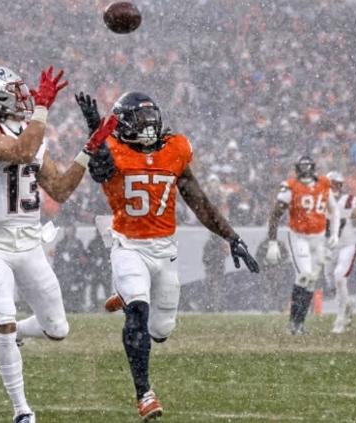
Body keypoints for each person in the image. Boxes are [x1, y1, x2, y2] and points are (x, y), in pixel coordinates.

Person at [78, 91, 259, 421]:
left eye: (151, 119)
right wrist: (95, 131)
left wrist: (232, 237)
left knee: (161, 331)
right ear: (122, 125)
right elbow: (100, 169)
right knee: (138, 313)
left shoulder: (175, 148)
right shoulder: (112, 149)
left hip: (164, 250)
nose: (147, 126)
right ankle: (144, 394)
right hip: (129, 246)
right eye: (139, 120)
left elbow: (198, 201)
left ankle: (128, 295)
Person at [0, 65, 115, 423]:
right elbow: (21, 152)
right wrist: (42, 110)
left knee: (57, 329)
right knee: (4, 319)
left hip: (29, 241)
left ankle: (16, 334)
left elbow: (59, 189)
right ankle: (22, 410)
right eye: (15, 92)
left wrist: (88, 150)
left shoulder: (30, 132)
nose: (26, 98)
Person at [265, 155, 339, 335]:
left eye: (308, 168)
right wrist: (272, 242)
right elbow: (275, 214)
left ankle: (298, 323)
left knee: (311, 280)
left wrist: (334, 234)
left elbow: (334, 210)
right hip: (298, 237)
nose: (305, 172)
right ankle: (294, 323)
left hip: (318, 238)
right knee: (304, 275)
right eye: (303, 168)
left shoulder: (324, 184)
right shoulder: (290, 186)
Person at [324, 171, 356, 334]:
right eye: (331, 183)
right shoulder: (319, 201)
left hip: (347, 245)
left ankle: (340, 319)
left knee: (339, 277)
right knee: (331, 284)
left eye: (336, 184)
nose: (333, 187)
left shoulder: (348, 201)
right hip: (329, 247)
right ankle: (348, 303)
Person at [53, 224, 88, 312]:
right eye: (68, 229)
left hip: (75, 273)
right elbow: (57, 259)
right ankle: (65, 307)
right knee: (64, 291)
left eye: (71, 230)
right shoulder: (61, 244)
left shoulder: (78, 243)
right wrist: (61, 261)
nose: (69, 232)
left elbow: (82, 257)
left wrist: (74, 261)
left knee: (76, 291)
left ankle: (76, 307)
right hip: (64, 273)